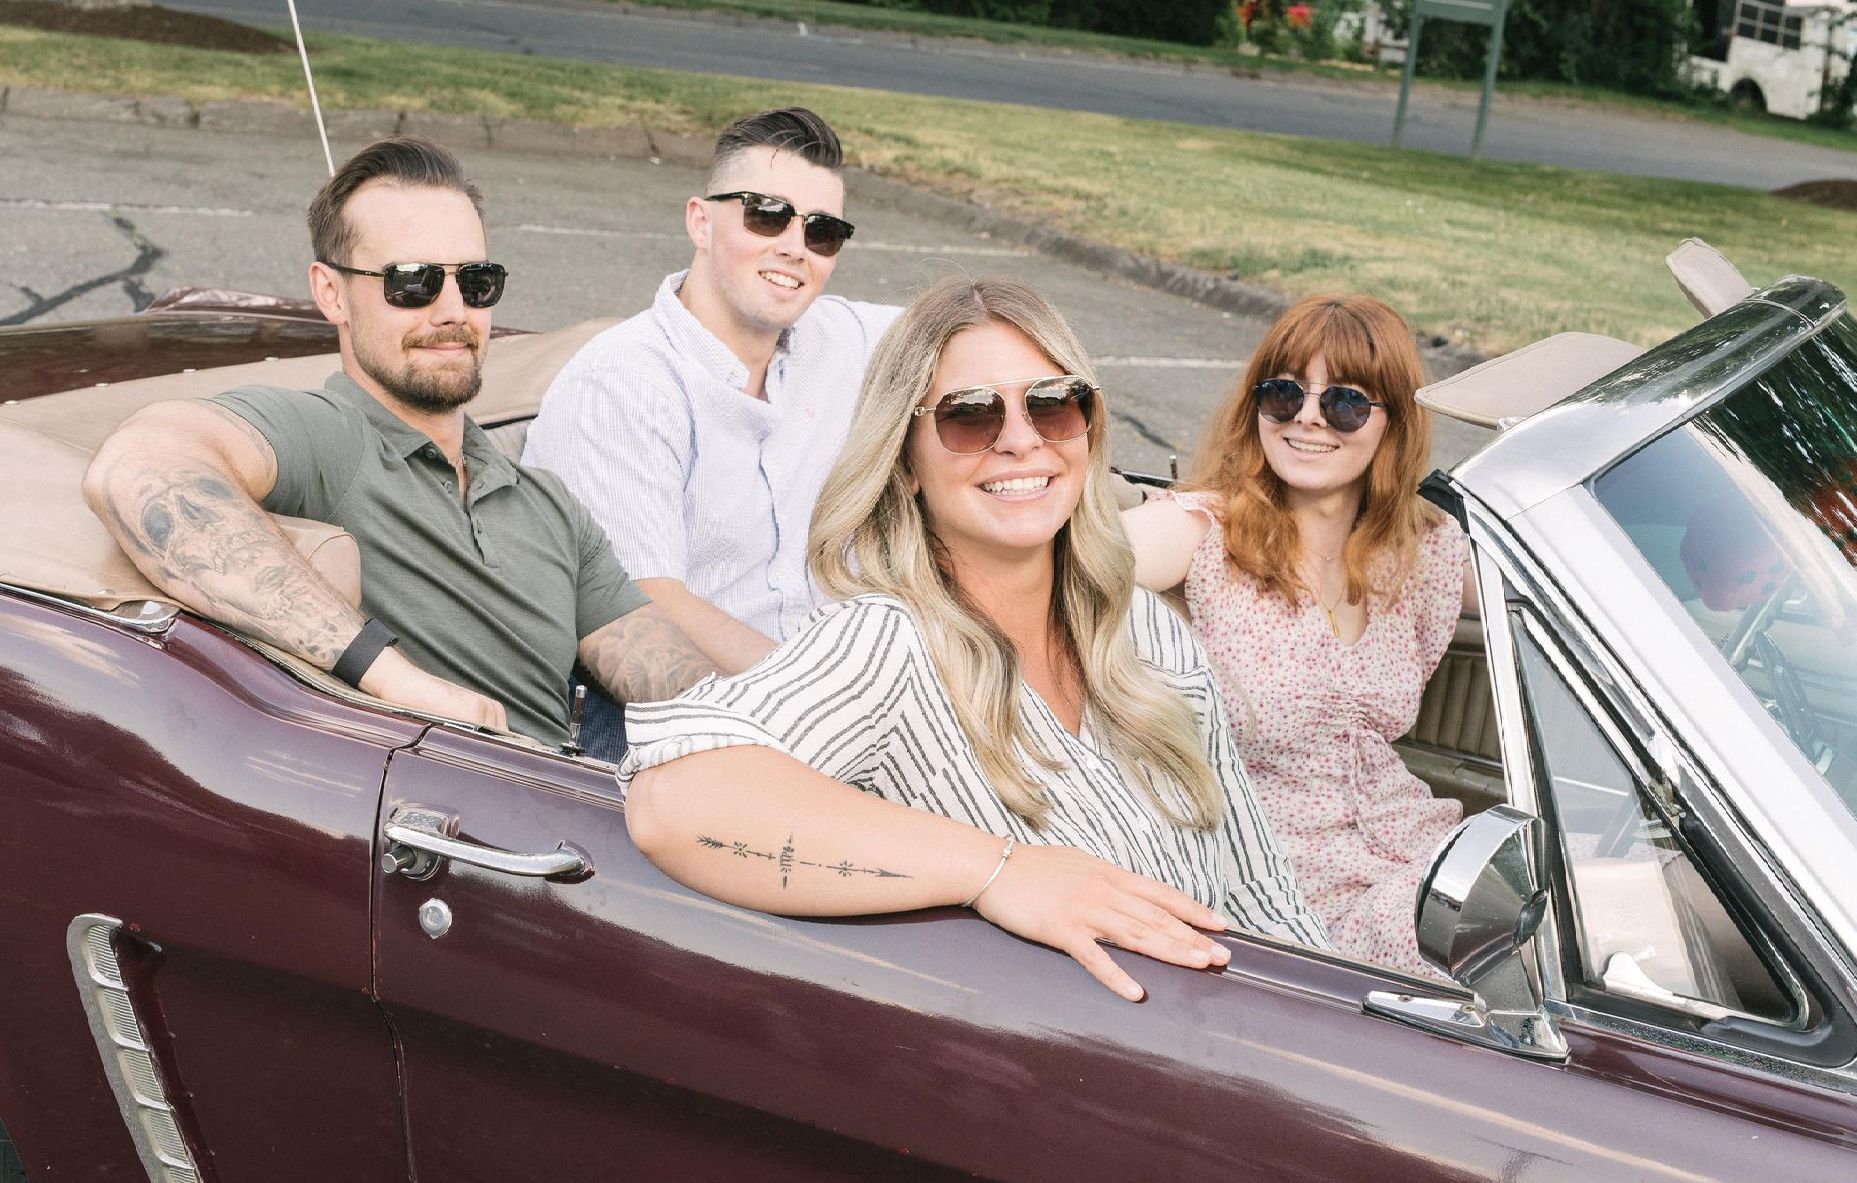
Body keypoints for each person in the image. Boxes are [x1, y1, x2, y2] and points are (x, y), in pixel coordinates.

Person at [619, 276, 1328, 1002]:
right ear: (905, 465)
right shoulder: (887, 641)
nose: (1020, 440)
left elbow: (1264, 898)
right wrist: (1002, 869)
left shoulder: (1144, 629)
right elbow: (674, 805)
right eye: (968, 416)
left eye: (1053, 404)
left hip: (1235, 1056)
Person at [84, 136, 715, 748]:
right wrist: (391, 677)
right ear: (332, 292)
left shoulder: (546, 502)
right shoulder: (330, 439)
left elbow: (663, 672)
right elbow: (139, 469)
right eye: (411, 283)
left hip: (582, 810)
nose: (451, 311)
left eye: (476, 281)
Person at [1121, 294, 1468, 978]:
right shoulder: (1204, 533)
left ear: (1391, 424)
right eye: (1283, 395)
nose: (1307, 418)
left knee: (1616, 891)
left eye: (1342, 403)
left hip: (1419, 848)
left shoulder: (1423, 549)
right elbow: (1065, 561)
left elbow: (1557, 586)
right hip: (1291, 902)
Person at [522, 107, 900, 673]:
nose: (796, 247)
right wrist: (820, 697)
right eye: (767, 216)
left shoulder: (844, 338)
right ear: (701, 222)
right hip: (682, 717)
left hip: (844, 683)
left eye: (823, 231)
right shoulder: (623, 381)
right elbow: (643, 606)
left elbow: (974, 326)